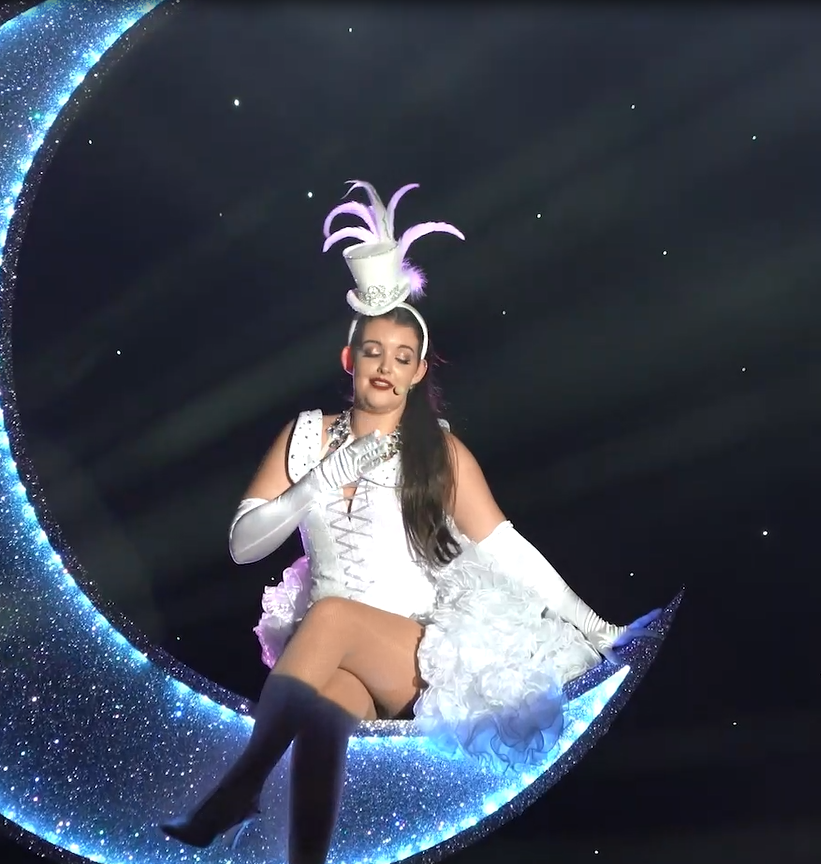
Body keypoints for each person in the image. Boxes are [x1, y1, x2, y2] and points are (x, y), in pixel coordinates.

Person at [160, 181, 659, 864]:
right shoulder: (305, 437)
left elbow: (506, 548)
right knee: (324, 715)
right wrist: (316, 484)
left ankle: (239, 788)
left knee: (331, 616)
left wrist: (597, 627)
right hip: (336, 657)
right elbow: (245, 546)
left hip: (421, 660)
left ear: (419, 371)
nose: (386, 369)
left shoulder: (439, 451)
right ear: (350, 359)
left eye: (402, 358)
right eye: (374, 353)